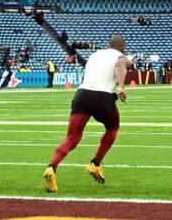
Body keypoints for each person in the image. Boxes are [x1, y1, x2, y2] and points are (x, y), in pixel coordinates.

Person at [44, 34, 125, 194]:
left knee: (72, 138)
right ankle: (95, 163)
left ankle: (51, 167)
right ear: (122, 46)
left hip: (82, 95)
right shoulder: (120, 55)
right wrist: (121, 86)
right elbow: (121, 64)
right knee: (113, 128)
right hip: (102, 96)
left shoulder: (95, 55)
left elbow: (84, 76)